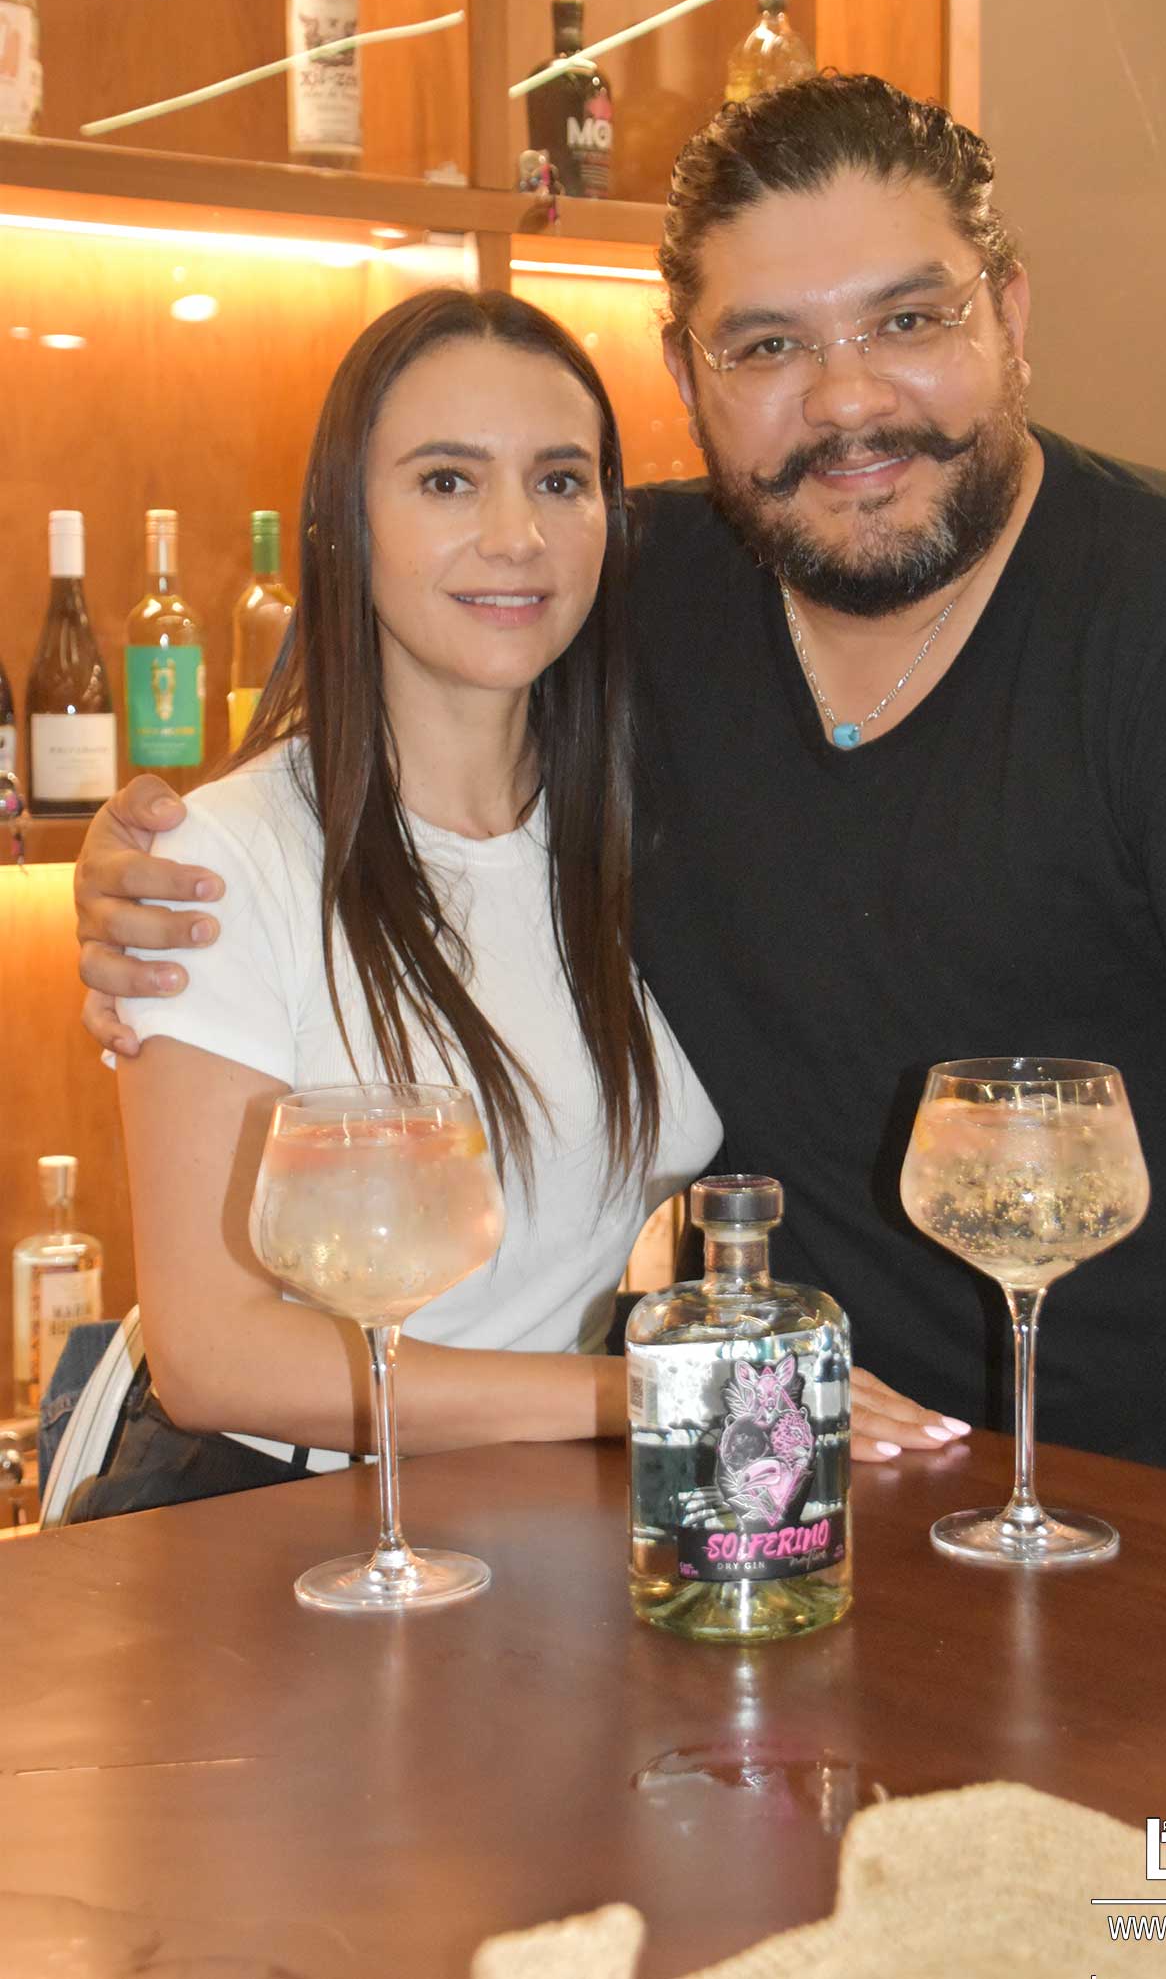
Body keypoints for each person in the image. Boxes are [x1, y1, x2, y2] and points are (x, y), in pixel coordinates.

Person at [77, 75, 1166, 1529]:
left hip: (1155, 1521)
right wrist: (154, 842)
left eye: (907, 320)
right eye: (772, 344)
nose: (848, 399)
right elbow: (383, 671)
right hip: (778, 1501)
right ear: (689, 374)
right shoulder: (632, 590)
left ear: (1009, 313)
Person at [68, 289, 728, 1515]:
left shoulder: (646, 838)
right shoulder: (224, 859)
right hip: (272, 1526)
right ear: (343, 526)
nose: (516, 536)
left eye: (561, 480)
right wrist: (642, 1396)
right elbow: (216, 1357)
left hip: (530, 1524)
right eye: (446, 481)